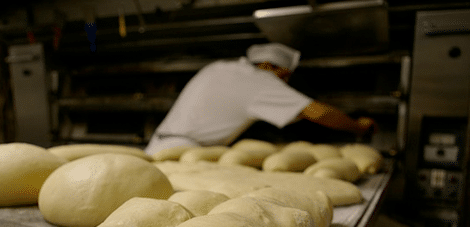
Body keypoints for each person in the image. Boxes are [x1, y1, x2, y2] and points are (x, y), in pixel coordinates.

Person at [144, 42, 376, 155]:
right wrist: (357, 127)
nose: (283, 84)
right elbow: (317, 112)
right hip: (185, 154)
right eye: (283, 76)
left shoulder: (221, 67)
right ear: (267, 65)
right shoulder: (259, 79)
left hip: (158, 145)